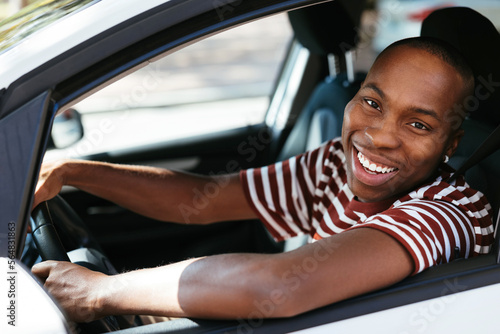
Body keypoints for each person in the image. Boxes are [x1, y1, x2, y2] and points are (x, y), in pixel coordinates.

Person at [31, 36, 494, 323]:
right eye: (373, 103)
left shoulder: (448, 214)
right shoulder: (337, 162)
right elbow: (202, 200)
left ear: (450, 144)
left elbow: (280, 287)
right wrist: (70, 171)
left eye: (418, 125)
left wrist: (99, 291)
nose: (380, 137)